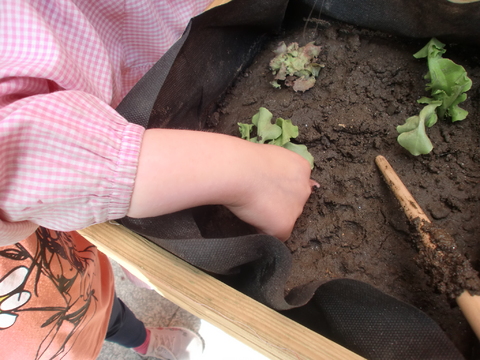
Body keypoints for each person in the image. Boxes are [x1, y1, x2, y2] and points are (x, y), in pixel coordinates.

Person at [0, 1, 316, 359]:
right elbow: (26, 155)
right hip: (36, 333)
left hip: (71, 250)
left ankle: (142, 338)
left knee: (103, 306)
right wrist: (249, 174)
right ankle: (143, 341)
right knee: (88, 319)